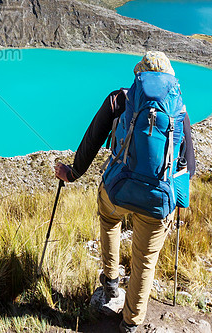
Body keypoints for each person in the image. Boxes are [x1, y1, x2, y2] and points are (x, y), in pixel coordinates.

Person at [54, 51, 195, 333]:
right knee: (144, 262)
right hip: (159, 199)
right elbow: (187, 164)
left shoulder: (120, 98)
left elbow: (92, 140)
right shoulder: (179, 109)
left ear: (138, 75)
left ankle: (110, 283)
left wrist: (72, 173)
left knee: (109, 221)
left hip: (118, 190)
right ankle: (131, 324)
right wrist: (179, 201)